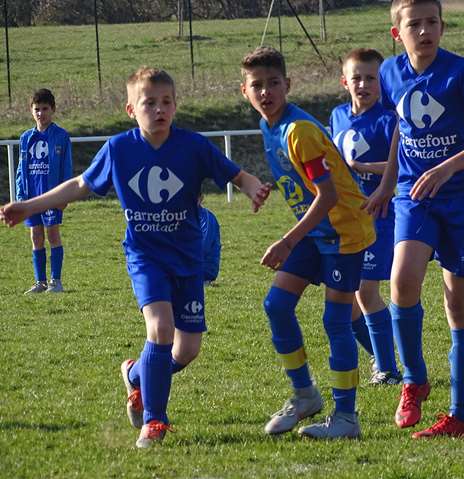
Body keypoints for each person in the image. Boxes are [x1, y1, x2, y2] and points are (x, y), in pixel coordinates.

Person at [0, 67, 270, 448]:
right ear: (131, 109)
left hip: (187, 259)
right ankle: (154, 421)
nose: (159, 109)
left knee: (187, 349)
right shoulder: (119, 149)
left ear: (175, 106)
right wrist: (29, 206)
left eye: (166, 102)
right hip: (145, 257)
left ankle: (136, 375)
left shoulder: (192, 146)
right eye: (149, 103)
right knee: (160, 328)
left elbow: (235, 174)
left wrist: (253, 186)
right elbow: (79, 184)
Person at [364, 0, 464, 438]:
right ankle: (413, 381)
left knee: (458, 305)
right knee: (401, 280)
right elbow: (400, 130)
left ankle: (462, 417)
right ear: (397, 33)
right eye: (414, 24)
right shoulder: (388, 73)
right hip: (415, 195)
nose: (424, 30)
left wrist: (447, 168)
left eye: (432, 22)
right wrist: (388, 183)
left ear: (442, 27)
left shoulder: (461, 72)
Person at [241, 46, 375, 439]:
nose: (265, 92)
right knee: (277, 306)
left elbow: (328, 195)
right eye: (257, 85)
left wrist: (286, 241)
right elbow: (305, 181)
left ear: (288, 85)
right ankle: (305, 395)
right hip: (316, 231)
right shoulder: (269, 126)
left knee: (336, 321)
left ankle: (346, 418)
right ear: (244, 91)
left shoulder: (298, 131)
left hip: (343, 232)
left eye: (273, 83)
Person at [330, 48, 401, 386]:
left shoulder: (389, 120)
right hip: (345, 221)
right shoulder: (337, 116)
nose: (363, 84)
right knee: (347, 300)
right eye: (356, 78)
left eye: (370, 78)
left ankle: (388, 370)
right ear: (344, 82)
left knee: (365, 291)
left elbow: (403, 164)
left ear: (381, 83)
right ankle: (382, 356)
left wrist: (362, 167)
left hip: (379, 217)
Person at [15, 89, 73, 294]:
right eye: (37, 109)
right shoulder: (25, 138)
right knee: (36, 236)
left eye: (45, 109)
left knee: (53, 234)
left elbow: (66, 167)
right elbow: (21, 169)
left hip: (52, 196)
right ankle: (40, 282)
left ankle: (56, 281)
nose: (41, 113)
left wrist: (65, 195)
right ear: (31, 111)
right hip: (31, 197)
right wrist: (20, 196)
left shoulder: (61, 136)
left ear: (53, 110)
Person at [198, 194, 221, 285]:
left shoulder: (207, 218)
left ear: (200, 198)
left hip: (204, 269)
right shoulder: (183, 216)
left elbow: (203, 248)